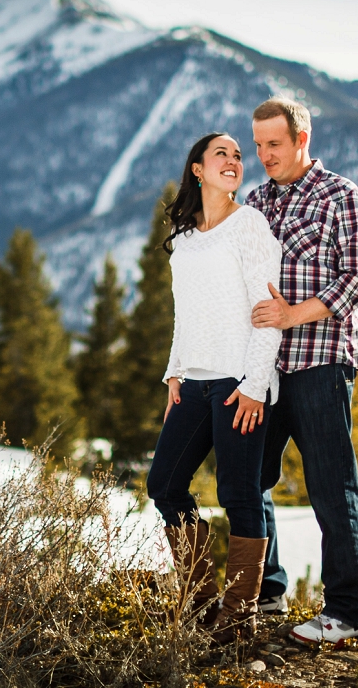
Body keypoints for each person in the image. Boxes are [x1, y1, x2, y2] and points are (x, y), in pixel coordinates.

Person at [247, 96, 358, 644]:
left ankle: (348, 610)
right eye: (257, 146)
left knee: (331, 487)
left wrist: (292, 315)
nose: (264, 156)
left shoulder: (340, 195)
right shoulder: (254, 201)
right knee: (248, 479)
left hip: (322, 362)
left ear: (302, 139)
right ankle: (268, 592)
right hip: (263, 370)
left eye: (274, 144)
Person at [145, 132, 283, 644]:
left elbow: (268, 313)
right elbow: (188, 314)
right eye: (220, 154)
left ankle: (239, 616)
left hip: (238, 382)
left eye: (238, 156)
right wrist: (173, 372)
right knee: (164, 485)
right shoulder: (184, 238)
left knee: (239, 493)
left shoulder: (250, 225)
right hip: (195, 383)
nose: (233, 161)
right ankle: (202, 601)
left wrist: (254, 385)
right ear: (197, 169)